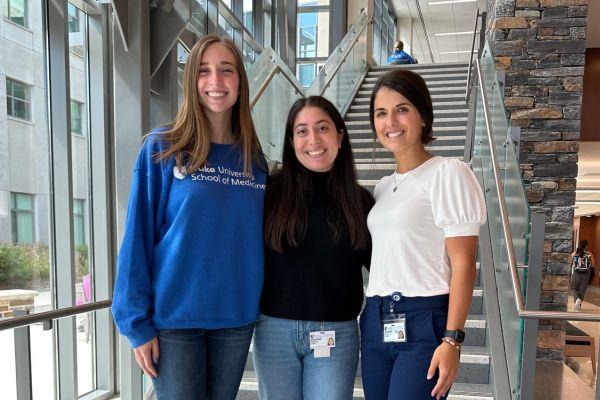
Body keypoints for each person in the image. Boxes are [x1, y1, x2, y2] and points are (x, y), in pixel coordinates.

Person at [111, 35, 267, 400]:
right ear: (191, 82)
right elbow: (136, 239)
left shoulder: (255, 161)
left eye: (226, 71)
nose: (215, 81)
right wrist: (136, 324)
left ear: (240, 81)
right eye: (204, 71)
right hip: (174, 321)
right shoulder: (163, 148)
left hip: (235, 318)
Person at [361, 69, 486, 400]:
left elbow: (464, 264)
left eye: (402, 109)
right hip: (375, 320)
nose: (391, 121)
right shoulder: (383, 187)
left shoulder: (447, 173)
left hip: (423, 321)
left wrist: (452, 340)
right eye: (381, 113)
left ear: (423, 116)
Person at [253, 96, 374, 400]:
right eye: (302, 131)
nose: (314, 140)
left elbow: (385, 268)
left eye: (323, 128)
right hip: (274, 333)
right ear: (291, 141)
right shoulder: (268, 193)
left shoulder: (360, 202)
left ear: (340, 136)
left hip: (336, 334)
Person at [570, 239, 595, 310]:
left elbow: (571, 264)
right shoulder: (590, 254)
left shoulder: (574, 253)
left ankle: (577, 300)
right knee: (582, 289)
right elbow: (593, 265)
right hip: (586, 274)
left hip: (576, 273)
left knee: (573, 287)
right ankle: (578, 304)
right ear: (587, 245)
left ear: (579, 244)